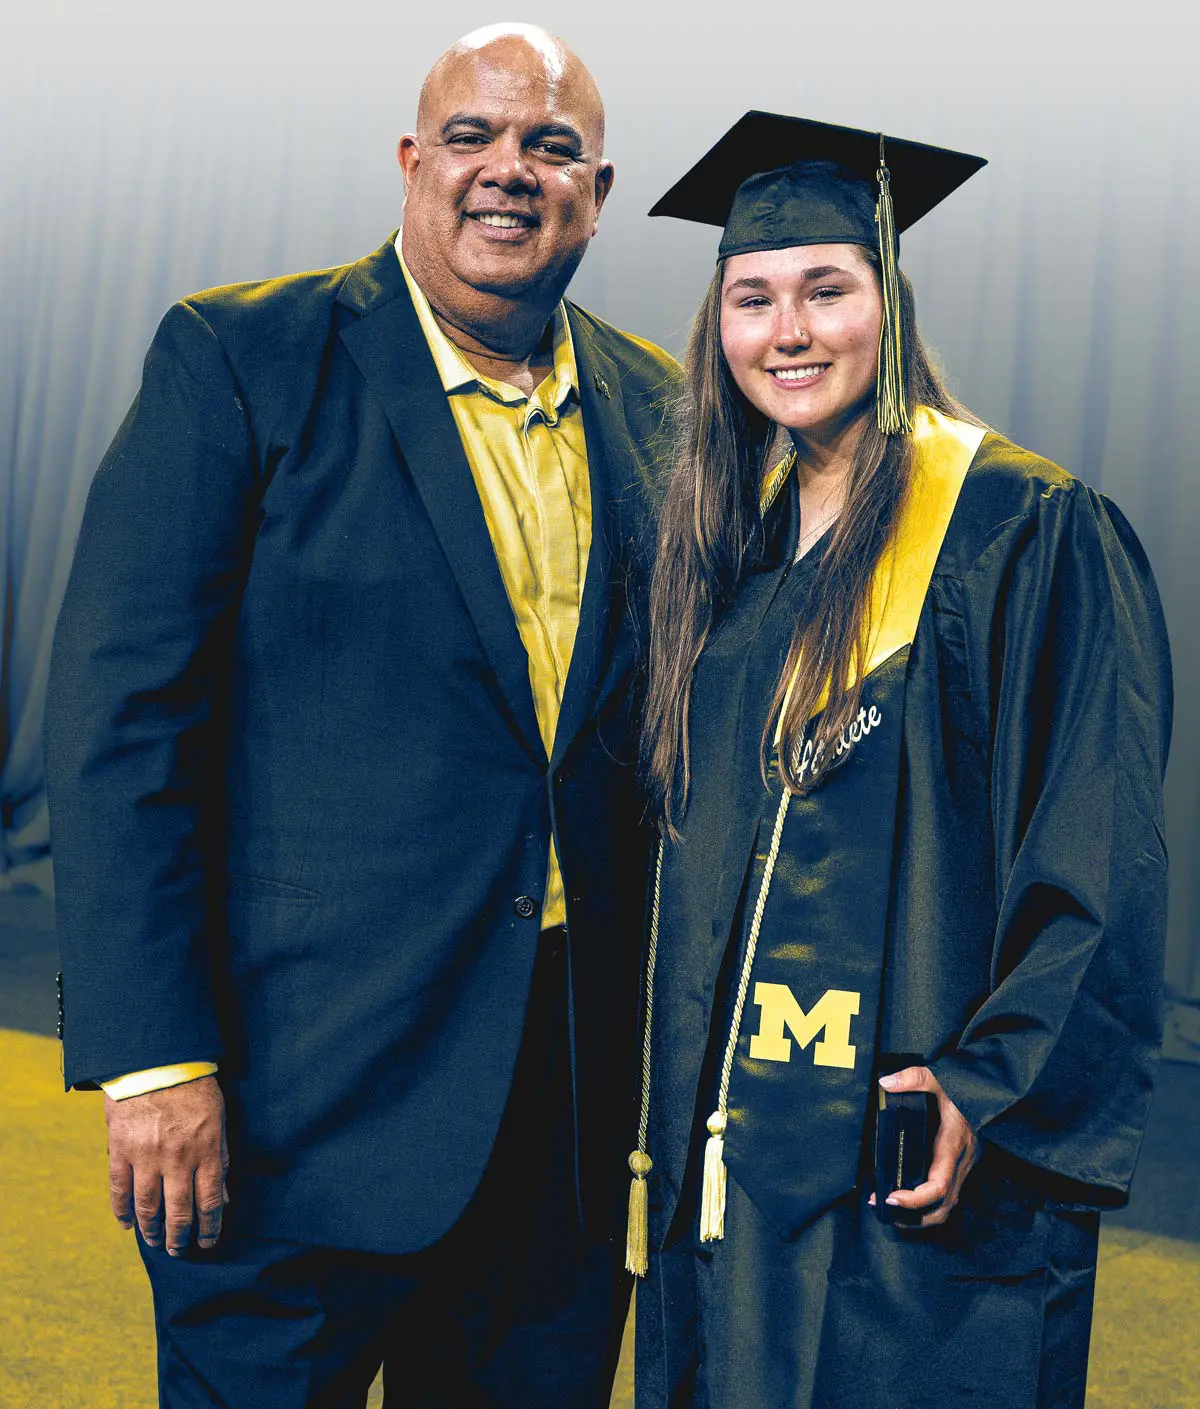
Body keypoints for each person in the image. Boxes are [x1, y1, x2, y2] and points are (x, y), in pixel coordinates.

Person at [45, 23, 680, 1407]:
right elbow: (118, 727)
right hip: (289, 1127)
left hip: (561, 1146)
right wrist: (154, 1065)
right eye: (474, 136)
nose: (507, 170)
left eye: (549, 145)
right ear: (412, 160)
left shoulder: (665, 412)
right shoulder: (240, 359)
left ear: (600, 188)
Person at [627, 112, 1172, 1408]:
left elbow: (1100, 842)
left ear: (890, 302)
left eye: (827, 289)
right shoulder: (734, 557)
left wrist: (991, 1085)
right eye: (752, 299)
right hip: (742, 1165)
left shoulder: (1021, 527)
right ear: (720, 330)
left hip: (915, 1164)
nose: (790, 331)